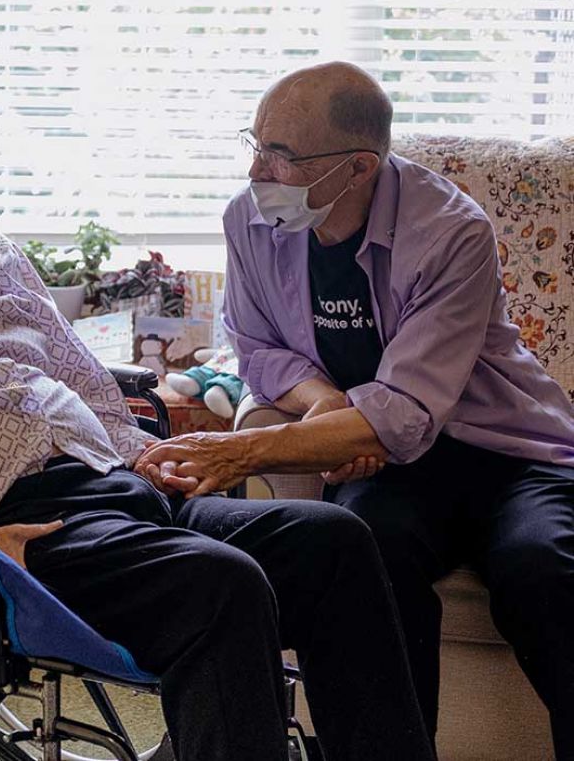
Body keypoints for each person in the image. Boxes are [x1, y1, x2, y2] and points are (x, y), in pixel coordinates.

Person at [0, 73, 434, 761]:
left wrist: (146, 456)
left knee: (336, 541)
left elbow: (80, 373)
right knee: (219, 585)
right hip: (14, 527)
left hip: (115, 489)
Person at [138, 61, 574, 758]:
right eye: (253, 144)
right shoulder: (248, 222)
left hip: (510, 453)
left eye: (279, 154)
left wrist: (241, 452)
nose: (257, 171)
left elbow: (402, 410)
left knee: (539, 568)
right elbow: (257, 346)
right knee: (360, 553)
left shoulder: (451, 232)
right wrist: (327, 407)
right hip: (383, 463)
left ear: (358, 167)